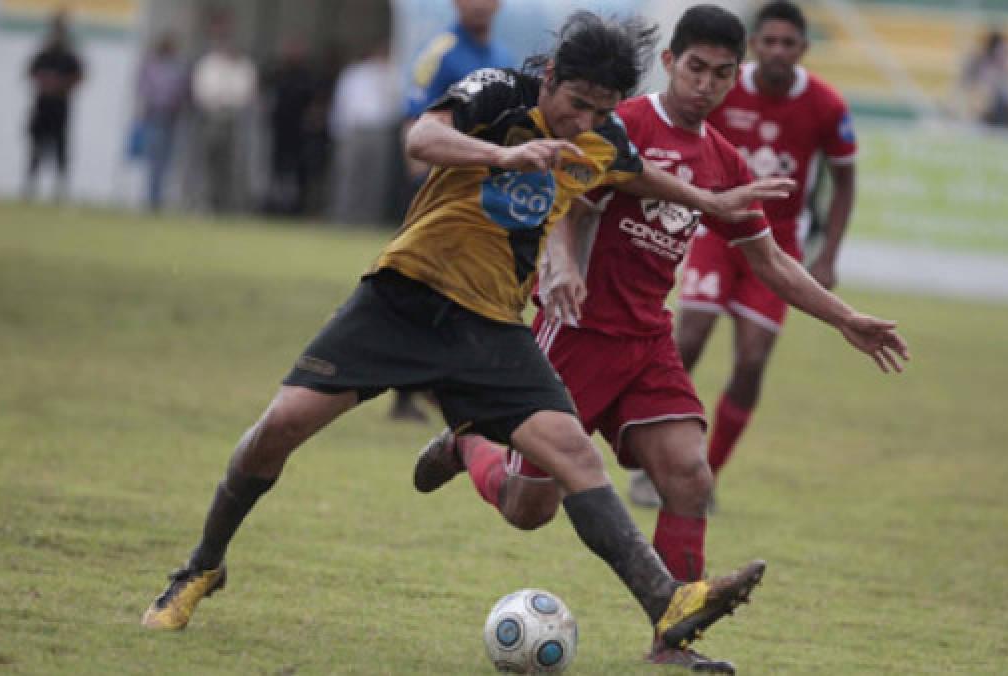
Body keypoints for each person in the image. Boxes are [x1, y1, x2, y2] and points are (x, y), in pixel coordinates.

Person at [140, 11, 796, 663]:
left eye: (602, 111)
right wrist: (505, 154)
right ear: (549, 79)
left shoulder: (602, 136)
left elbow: (633, 172)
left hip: (489, 327)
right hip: (401, 299)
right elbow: (420, 138)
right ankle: (201, 566)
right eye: (576, 104)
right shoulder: (498, 92)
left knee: (573, 457)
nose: (584, 123)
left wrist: (711, 204)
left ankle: (668, 602)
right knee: (278, 428)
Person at [411, 5, 908, 670]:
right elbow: (564, 200)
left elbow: (770, 262)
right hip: (578, 332)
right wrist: (560, 264)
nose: (705, 84)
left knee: (688, 475)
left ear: (736, 78)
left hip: (648, 340)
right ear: (671, 62)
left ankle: (670, 644)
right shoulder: (619, 122)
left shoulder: (722, 159)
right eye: (695, 67)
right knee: (528, 510)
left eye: (721, 74)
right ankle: (469, 439)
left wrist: (844, 316)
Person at [628, 0, 860, 509]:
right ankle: (657, 464)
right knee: (687, 338)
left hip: (776, 239)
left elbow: (844, 181)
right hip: (714, 227)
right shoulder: (708, 93)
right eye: (770, 41)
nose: (778, 51)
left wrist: (828, 256)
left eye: (789, 43)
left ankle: (704, 475)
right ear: (756, 46)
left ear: (804, 49)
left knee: (752, 360)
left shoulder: (826, 105)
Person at [391, 0, 514, 422]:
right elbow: (414, 121)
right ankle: (406, 390)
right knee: (418, 284)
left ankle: (442, 383)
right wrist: (421, 189)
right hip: (438, 193)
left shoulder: (502, 60)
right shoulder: (440, 52)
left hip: (480, 198)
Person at [327, 42, 400, 225]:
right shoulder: (354, 73)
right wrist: (338, 129)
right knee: (349, 175)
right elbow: (342, 101)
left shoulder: (392, 74)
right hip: (355, 129)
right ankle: (344, 216)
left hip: (379, 131)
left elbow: (396, 103)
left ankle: (369, 217)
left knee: (375, 177)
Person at [191, 11, 256, 215]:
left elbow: (245, 93)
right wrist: (220, 98)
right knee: (207, 162)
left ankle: (229, 206)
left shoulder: (243, 66)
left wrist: (227, 97)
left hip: (234, 118)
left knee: (233, 165)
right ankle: (204, 203)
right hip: (211, 117)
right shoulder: (207, 63)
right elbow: (201, 90)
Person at [23, 11, 84, 202]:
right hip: (43, 104)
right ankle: (30, 187)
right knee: (37, 147)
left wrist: (61, 85)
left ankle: (60, 190)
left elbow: (79, 76)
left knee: (60, 149)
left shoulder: (69, 55)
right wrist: (46, 83)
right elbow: (31, 72)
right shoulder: (44, 53)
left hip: (60, 105)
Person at [262, 40, 320, 215]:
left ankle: (296, 207)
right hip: (279, 129)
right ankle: (275, 205)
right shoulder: (278, 73)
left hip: (300, 132)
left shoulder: (307, 76)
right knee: (277, 169)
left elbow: (314, 104)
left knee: (298, 170)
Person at [135, 33, 188, 211]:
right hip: (154, 114)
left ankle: (159, 198)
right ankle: (152, 199)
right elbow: (143, 88)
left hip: (172, 116)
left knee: (166, 161)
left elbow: (182, 90)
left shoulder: (178, 67)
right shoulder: (151, 65)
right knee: (154, 159)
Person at [957, 27, 1008, 128]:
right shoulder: (982, 67)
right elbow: (973, 95)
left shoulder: (1004, 74)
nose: (1006, 57)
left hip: (995, 114)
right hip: (977, 113)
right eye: (1003, 52)